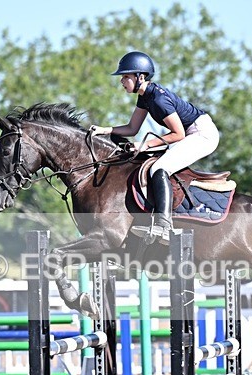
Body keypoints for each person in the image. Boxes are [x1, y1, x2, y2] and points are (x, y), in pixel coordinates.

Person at [89, 51, 220, 244]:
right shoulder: (145, 96)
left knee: (160, 168)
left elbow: (178, 135)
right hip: (191, 132)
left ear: (140, 77)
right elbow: (132, 128)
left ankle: (165, 226)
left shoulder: (158, 99)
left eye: (126, 76)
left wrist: (144, 145)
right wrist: (104, 129)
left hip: (202, 134)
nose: (122, 81)